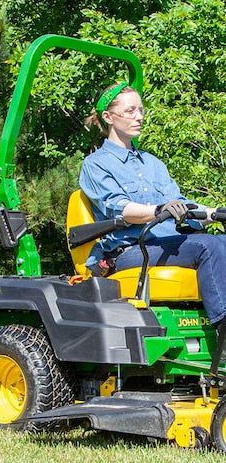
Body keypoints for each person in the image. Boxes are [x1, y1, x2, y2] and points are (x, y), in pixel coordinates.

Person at [79, 82, 226, 367]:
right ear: (109, 117)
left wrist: (213, 213)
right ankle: (224, 331)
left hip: (168, 243)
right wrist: (158, 210)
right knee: (207, 245)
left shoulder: (153, 164)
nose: (139, 116)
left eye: (141, 110)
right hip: (132, 249)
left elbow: (182, 204)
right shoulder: (96, 165)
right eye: (130, 111)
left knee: (219, 240)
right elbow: (119, 207)